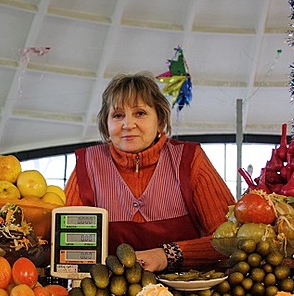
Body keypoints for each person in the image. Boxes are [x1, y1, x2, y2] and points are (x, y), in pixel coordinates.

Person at [64, 71, 235, 273]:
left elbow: (228, 240)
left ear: (160, 120)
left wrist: (168, 255)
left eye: (140, 113)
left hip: (189, 294)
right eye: (118, 115)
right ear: (106, 123)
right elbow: (65, 244)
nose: (128, 125)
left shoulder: (190, 159)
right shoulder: (87, 164)